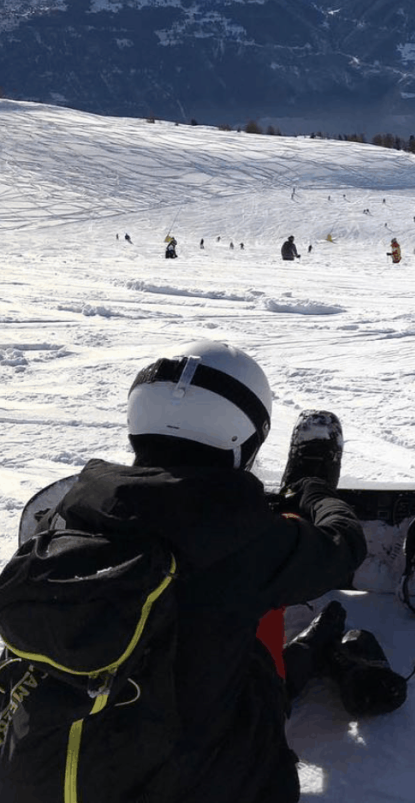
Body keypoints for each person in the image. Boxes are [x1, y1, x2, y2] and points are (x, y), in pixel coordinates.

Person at [0, 340, 372, 803]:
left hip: (38, 776)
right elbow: (344, 547)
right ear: (245, 439)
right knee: (249, 623)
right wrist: (312, 491)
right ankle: (297, 667)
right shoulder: (243, 537)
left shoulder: (69, 515)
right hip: (196, 785)